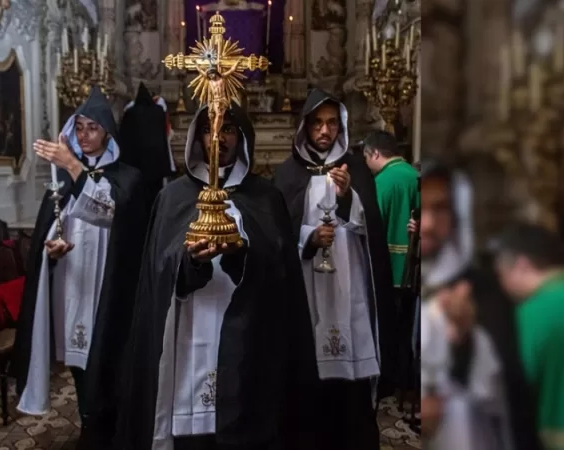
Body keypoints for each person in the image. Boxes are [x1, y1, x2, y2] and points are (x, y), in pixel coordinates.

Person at [115, 102, 319, 450]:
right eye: (209, 129)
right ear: (197, 136)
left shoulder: (266, 198)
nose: (218, 138)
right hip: (188, 332)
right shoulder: (172, 197)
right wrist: (190, 262)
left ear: (242, 137)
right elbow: (157, 274)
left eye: (228, 129)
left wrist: (242, 254)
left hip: (249, 337)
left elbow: (280, 276)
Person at [11, 86, 148, 448]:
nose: (84, 135)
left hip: (108, 286)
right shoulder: (62, 181)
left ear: (108, 133)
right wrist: (52, 250)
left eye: (93, 128)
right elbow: (57, 224)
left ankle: (108, 429)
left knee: (109, 362)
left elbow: (108, 213)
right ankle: (89, 422)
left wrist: (72, 165)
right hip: (72, 285)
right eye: (80, 127)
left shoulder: (128, 177)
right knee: (78, 360)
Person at [273, 88, 394, 449]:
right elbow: (280, 236)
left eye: (331, 124)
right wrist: (309, 238)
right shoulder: (288, 174)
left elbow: (370, 230)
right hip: (307, 286)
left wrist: (348, 198)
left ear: (340, 126)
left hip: (349, 286)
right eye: (317, 124)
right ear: (305, 127)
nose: (324, 131)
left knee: (349, 391)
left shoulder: (356, 170)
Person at [419, 160, 542, 450]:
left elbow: (507, 391)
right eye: (417, 208)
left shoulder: (483, 291)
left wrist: (465, 340)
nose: (428, 224)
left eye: (440, 209)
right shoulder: (380, 276)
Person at [488, 223, 564, 450]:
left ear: (521, 265)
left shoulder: (527, 315)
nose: (502, 285)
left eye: (502, 274)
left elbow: (510, 387)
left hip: (540, 438)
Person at [363, 129, 420, 398]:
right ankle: (409, 383)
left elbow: (372, 228)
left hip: (389, 270)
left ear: (375, 153)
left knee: (391, 332)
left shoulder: (382, 182)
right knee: (412, 332)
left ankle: (393, 383)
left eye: (366, 157)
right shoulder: (415, 176)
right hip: (416, 268)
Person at [120, 82, 177, 209]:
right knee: (154, 199)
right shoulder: (158, 112)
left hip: (135, 165)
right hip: (155, 164)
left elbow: (124, 137)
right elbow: (162, 138)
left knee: (136, 200)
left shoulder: (131, 112)